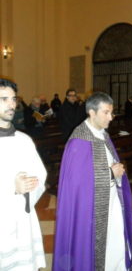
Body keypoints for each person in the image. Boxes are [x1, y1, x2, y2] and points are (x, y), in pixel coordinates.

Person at [53, 92, 132, 271]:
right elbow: (78, 183)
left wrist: (116, 171)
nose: (111, 117)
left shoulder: (102, 134)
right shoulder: (79, 140)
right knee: (95, 248)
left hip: (111, 199)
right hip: (90, 209)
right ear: (92, 112)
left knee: (115, 240)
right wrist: (111, 174)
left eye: (111, 112)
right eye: (106, 112)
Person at [0, 78, 47, 270]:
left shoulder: (24, 140)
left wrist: (31, 185)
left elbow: (40, 175)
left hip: (23, 216)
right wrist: (12, 188)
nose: (12, 104)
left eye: (13, 99)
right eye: (4, 99)